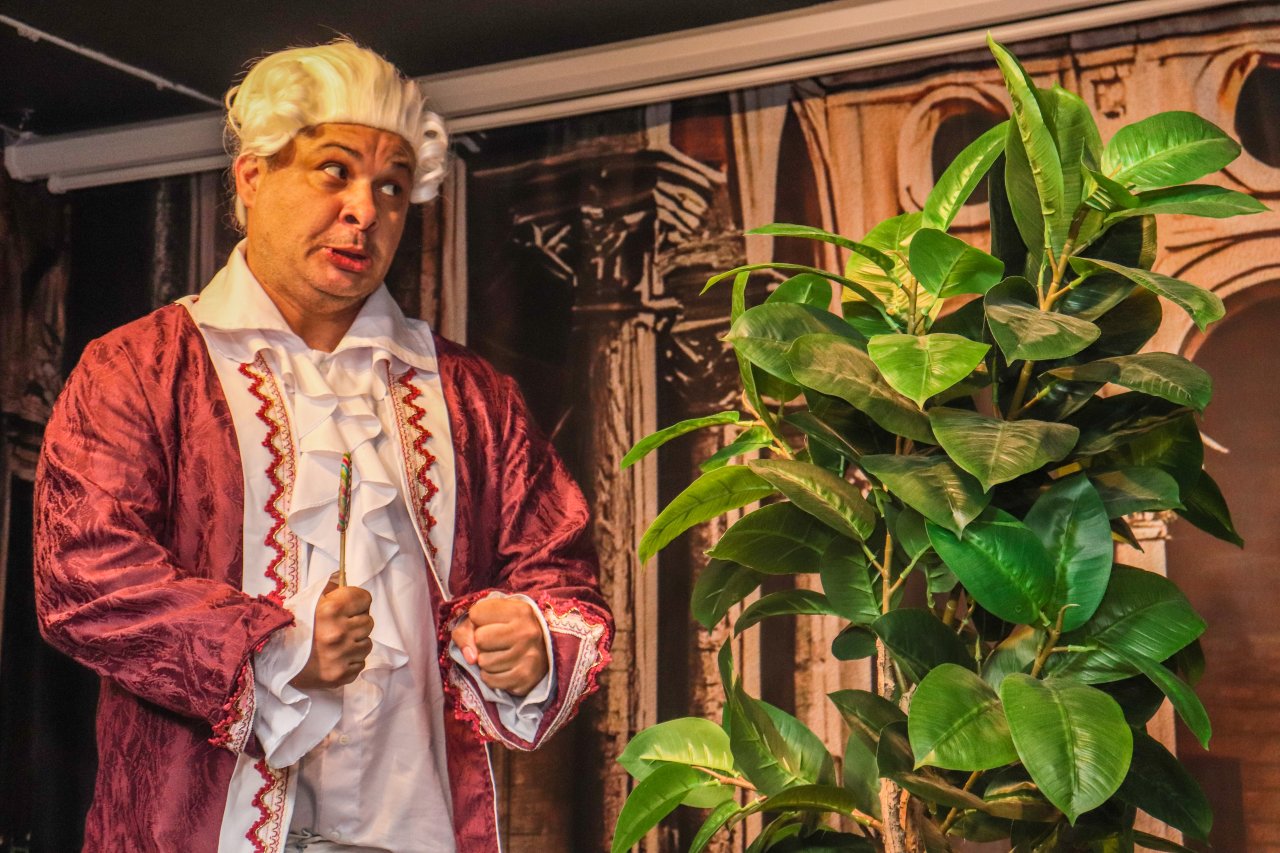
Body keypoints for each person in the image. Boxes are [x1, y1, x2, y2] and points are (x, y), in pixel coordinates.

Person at [33, 39, 612, 853]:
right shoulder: (140, 367)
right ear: (252, 177)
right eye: (333, 171)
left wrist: (532, 638)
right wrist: (280, 647)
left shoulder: (472, 396)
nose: (364, 210)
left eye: (392, 186)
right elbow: (84, 577)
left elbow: (558, 570)